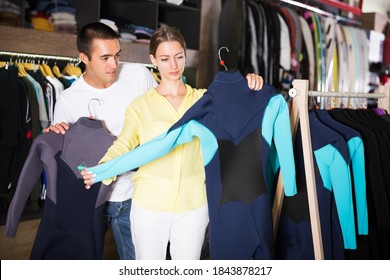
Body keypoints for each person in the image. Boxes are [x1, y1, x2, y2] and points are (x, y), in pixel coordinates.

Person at [80, 25, 264, 260]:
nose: (174, 66)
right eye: (165, 59)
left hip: (194, 205)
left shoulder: (204, 100)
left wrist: (249, 84)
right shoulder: (141, 105)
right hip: (149, 206)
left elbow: (239, 111)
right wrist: (103, 168)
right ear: (153, 60)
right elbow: (123, 145)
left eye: (179, 57)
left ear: (186, 56)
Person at [44, 22, 158, 260]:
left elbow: (164, 114)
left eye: (117, 55)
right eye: (105, 57)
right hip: (89, 199)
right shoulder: (67, 100)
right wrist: (56, 135)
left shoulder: (139, 76)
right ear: (84, 57)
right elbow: (65, 158)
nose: (114, 64)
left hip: (134, 195)